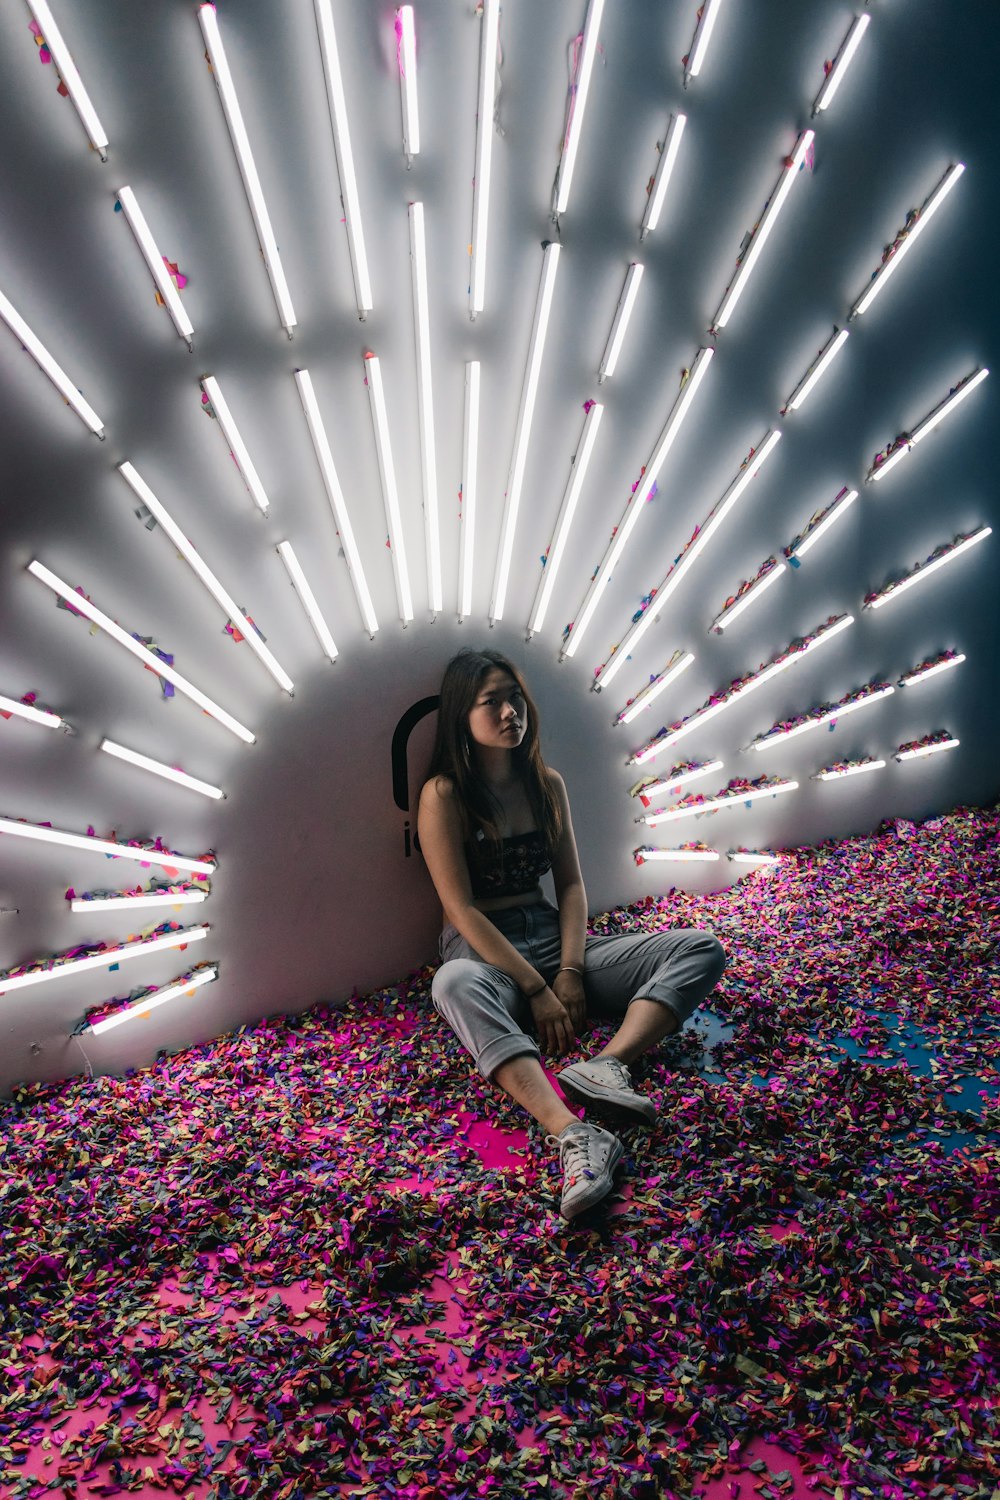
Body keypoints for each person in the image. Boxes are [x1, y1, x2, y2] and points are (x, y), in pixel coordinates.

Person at [417, 648, 726, 1220]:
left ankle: (608, 1063)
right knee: (452, 984)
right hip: (486, 953)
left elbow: (573, 889)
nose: (511, 712)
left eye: (516, 698)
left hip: (553, 940)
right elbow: (460, 909)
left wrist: (570, 971)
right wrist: (537, 989)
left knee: (700, 947)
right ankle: (575, 1134)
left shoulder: (546, 783)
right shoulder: (444, 795)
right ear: (463, 714)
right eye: (492, 702)